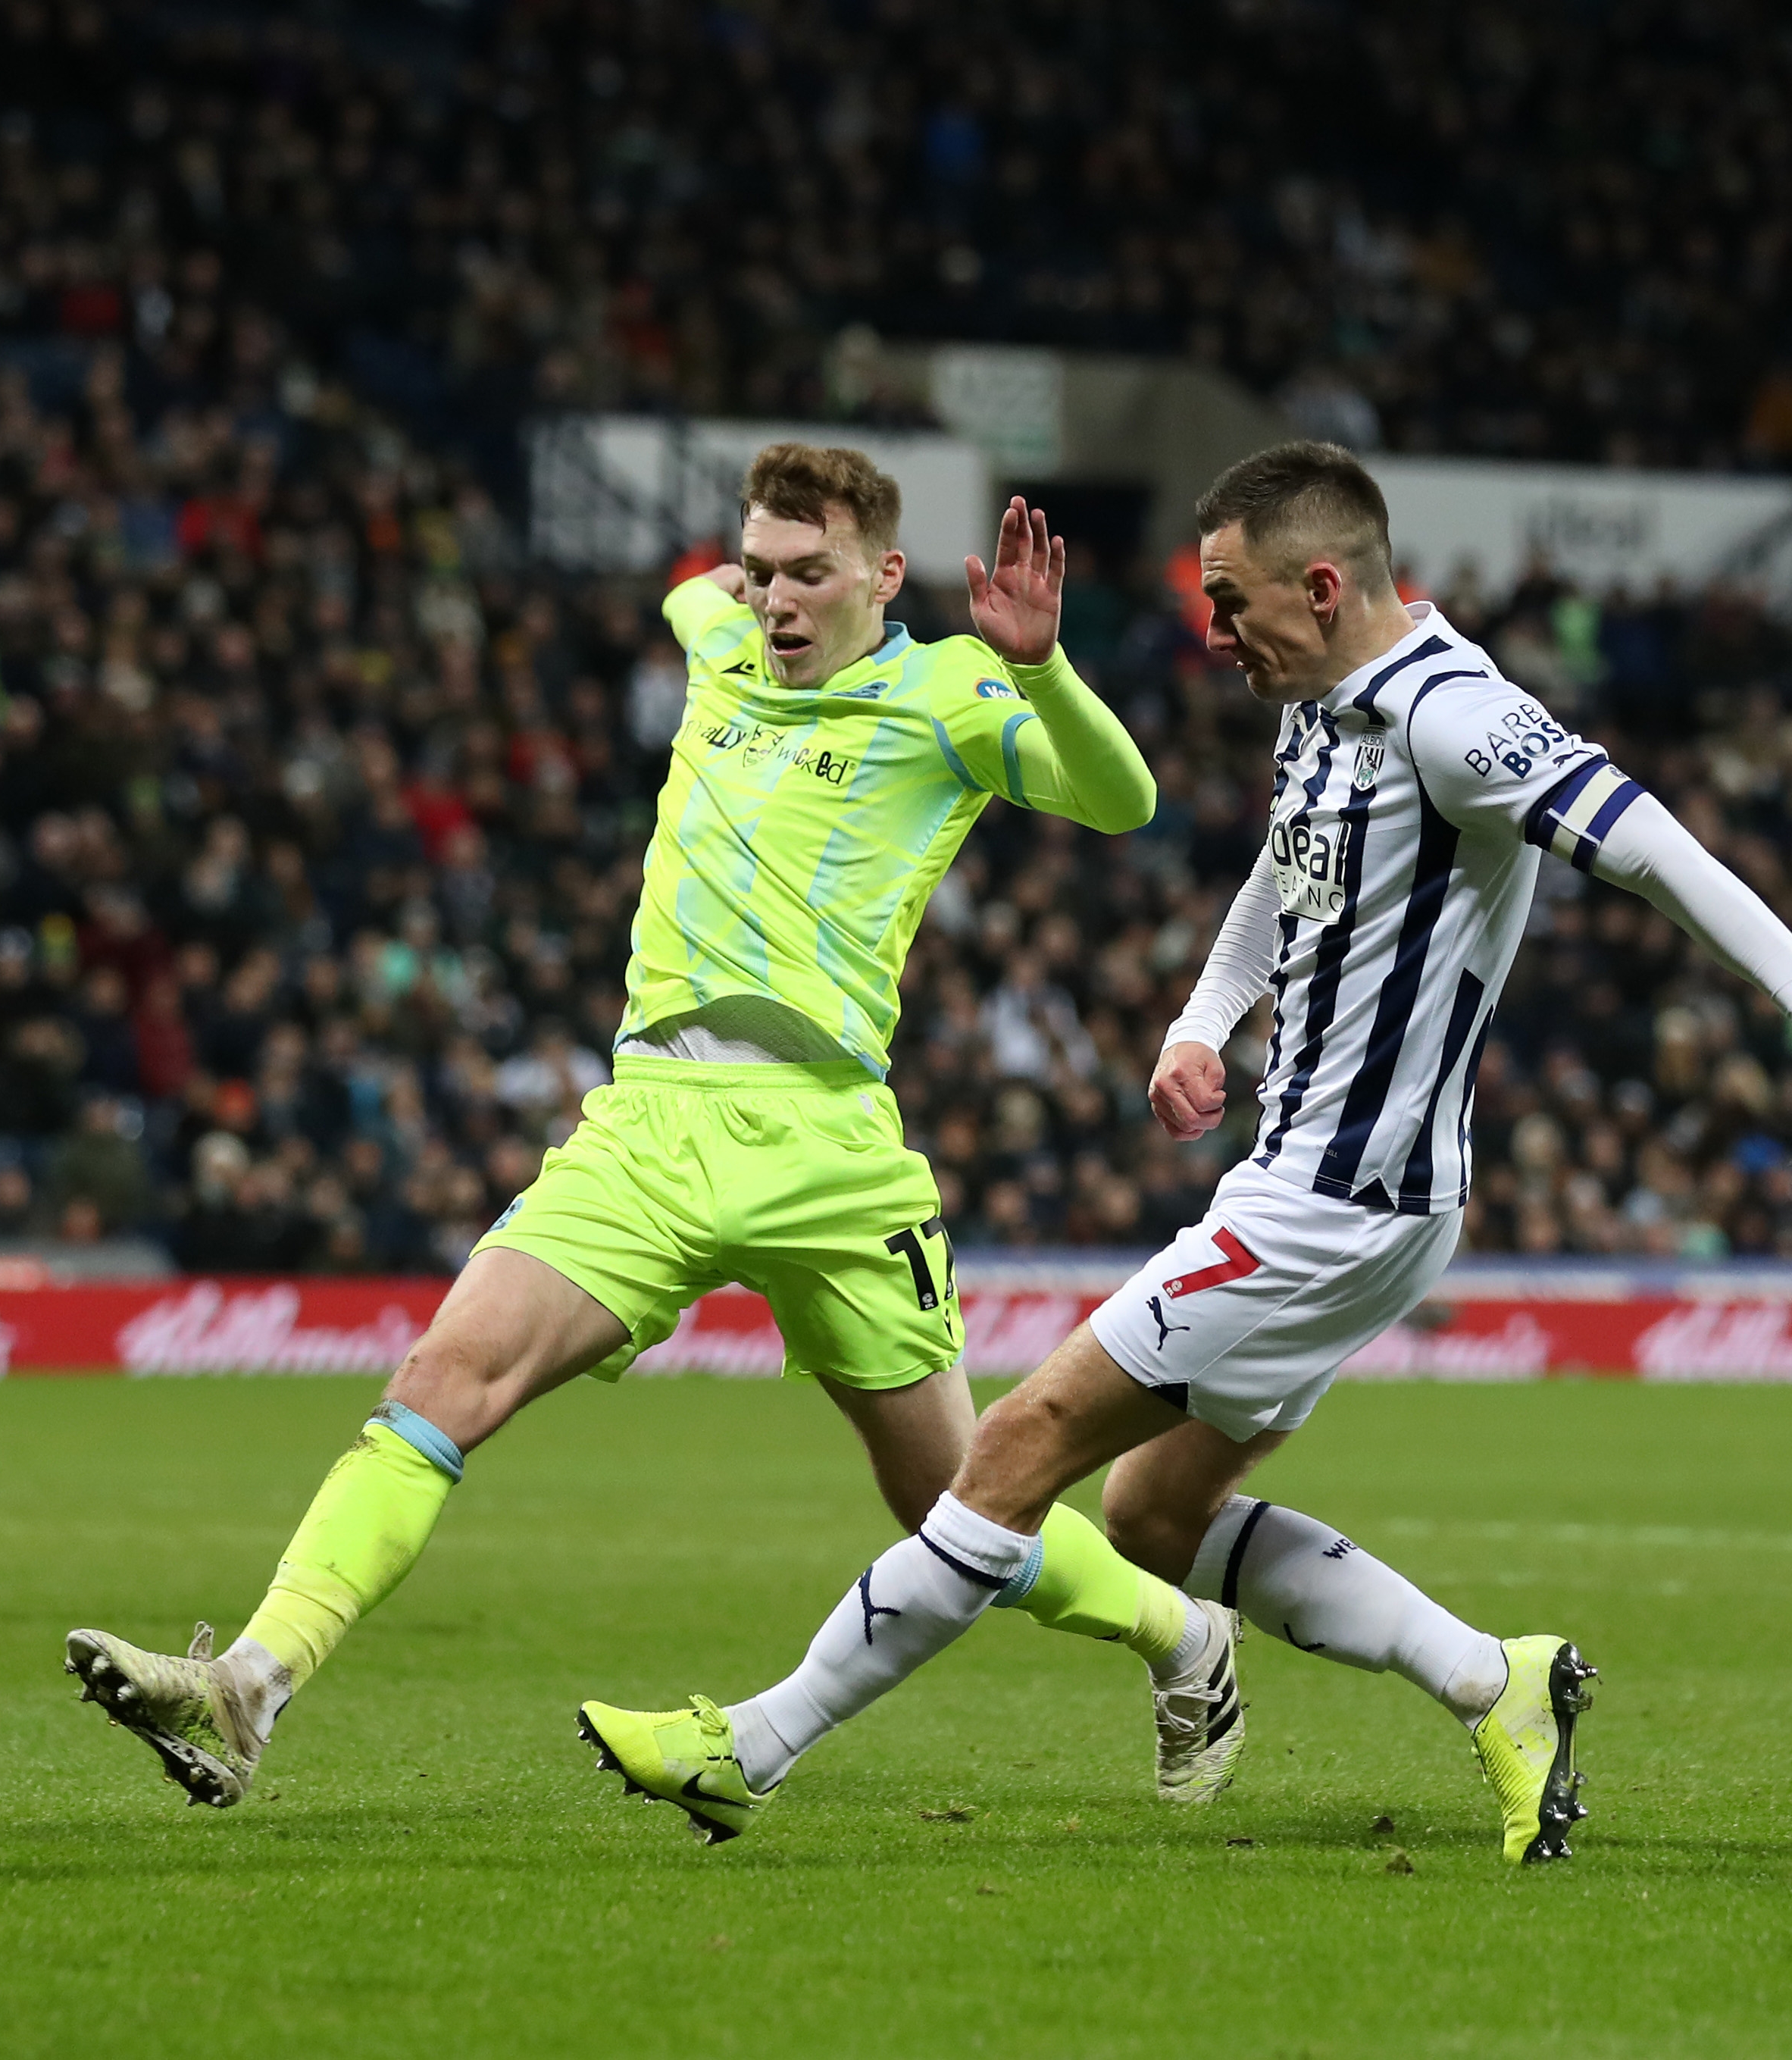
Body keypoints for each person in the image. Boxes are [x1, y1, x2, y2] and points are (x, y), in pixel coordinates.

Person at [581, 441, 1792, 1860]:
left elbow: (1659, 851)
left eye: (1231, 604)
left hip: (1337, 1199)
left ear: (1324, 585)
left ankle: (750, 1746)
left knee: (1018, 1439)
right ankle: (1496, 1680)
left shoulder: (1456, 720)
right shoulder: (1318, 699)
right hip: (1339, 1188)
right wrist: (1205, 1015)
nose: (1213, 636)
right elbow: (1288, 867)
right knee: (1153, 1513)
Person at [65, 446, 1224, 1809]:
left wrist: (1038, 666)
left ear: (885, 577)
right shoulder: (719, 639)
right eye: (765, 570)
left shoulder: (950, 689)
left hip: (827, 1140)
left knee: (954, 1508)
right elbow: (694, 594)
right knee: (445, 1379)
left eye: (812, 574)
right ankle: (250, 1685)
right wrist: (721, 580)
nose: (778, 600)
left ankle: (1184, 1633)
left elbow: (1123, 798)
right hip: (651, 1118)